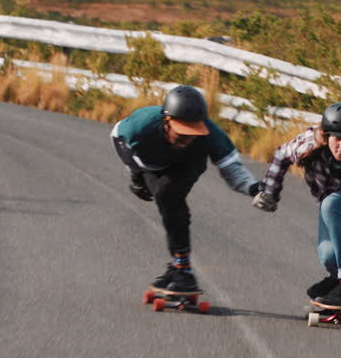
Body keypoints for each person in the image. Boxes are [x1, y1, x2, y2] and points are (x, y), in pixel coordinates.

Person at [112, 85, 262, 293]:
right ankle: (177, 267)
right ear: (166, 122)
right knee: (166, 199)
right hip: (150, 163)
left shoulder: (210, 133)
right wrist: (137, 175)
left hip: (187, 165)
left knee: (169, 198)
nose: (187, 139)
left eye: (193, 133)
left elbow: (231, 168)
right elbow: (118, 138)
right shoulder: (142, 124)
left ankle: (183, 271)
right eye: (182, 134)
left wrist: (253, 188)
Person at [252, 102, 341, 309]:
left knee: (332, 205)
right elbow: (281, 155)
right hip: (333, 197)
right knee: (328, 255)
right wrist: (271, 192)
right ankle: (337, 279)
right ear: (327, 136)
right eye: (337, 139)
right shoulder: (308, 144)